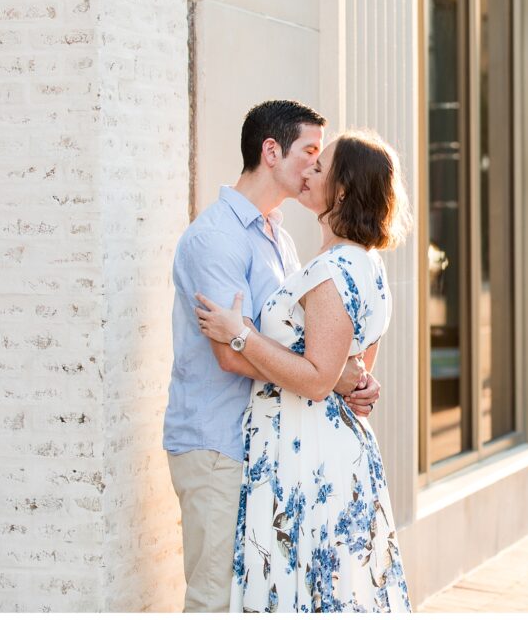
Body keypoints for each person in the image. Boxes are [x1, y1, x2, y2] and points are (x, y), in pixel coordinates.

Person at [164, 101, 383, 612]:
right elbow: (230, 355)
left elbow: (307, 347)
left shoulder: (280, 239)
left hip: (265, 451)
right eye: (309, 151)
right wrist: (332, 378)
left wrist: (348, 375)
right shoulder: (216, 238)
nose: (315, 165)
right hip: (218, 446)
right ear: (271, 151)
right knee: (214, 599)